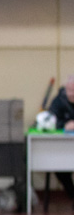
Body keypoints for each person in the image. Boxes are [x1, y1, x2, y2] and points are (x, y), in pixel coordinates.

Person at [44, 73, 74, 204]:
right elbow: (50, 121)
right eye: (69, 90)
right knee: (59, 167)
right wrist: (64, 125)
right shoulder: (59, 100)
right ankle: (72, 194)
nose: (71, 94)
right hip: (63, 147)